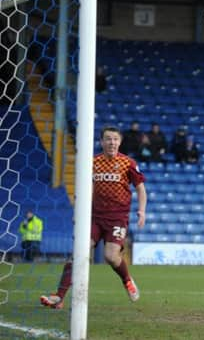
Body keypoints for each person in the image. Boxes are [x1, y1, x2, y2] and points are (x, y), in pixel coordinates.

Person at [40, 126, 147, 309]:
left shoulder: (128, 163)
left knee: (111, 256)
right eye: (108, 139)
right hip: (94, 217)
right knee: (78, 253)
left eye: (115, 139)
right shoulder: (93, 162)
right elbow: (84, 189)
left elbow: (140, 188)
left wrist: (142, 210)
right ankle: (59, 297)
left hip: (117, 218)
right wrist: (78, 212)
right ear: (101, 141)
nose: (111, 142)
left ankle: (127, 280)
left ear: (119, 142)